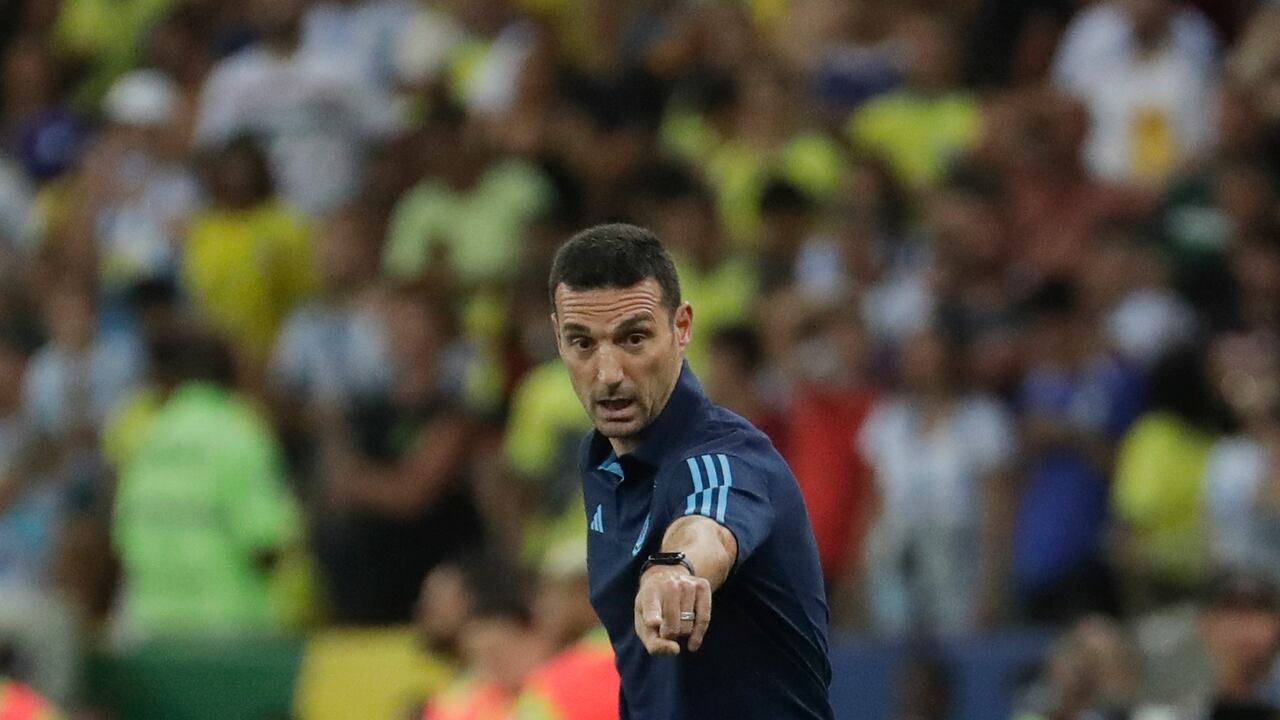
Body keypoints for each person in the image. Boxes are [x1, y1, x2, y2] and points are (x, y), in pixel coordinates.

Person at [548, 224, 833, 719]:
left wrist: (675, 570)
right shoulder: (599, 461)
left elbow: (709, 524)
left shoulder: (727, 456)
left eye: (633, 338)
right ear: (558, 338)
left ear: (681, 328)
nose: (609, 372)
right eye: (583, 343)